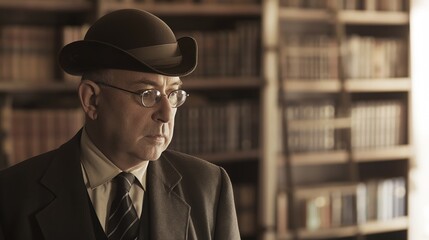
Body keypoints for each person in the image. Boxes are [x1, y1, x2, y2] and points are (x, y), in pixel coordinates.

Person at [0, 9, 240, 240]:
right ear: (92, 100)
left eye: (174, 94)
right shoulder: (11, 196)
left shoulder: (210, 187)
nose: (166, 114)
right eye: (147, 94)